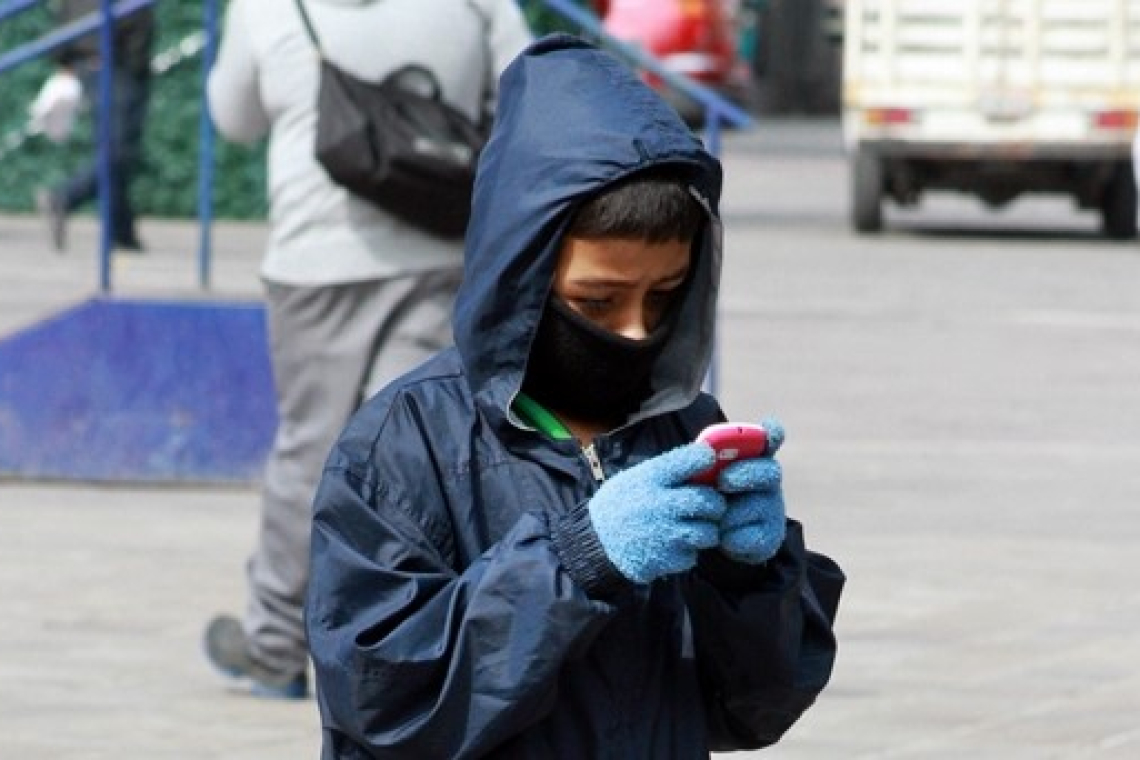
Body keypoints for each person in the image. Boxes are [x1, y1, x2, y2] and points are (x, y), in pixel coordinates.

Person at [305, 33, 845, 758]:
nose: (635, 331)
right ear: (521, 277)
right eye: (597, 302)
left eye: (664, 298)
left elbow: (755, 710)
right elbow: (385, 703)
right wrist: (578, 560)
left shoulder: (682, 427)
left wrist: (751, 577)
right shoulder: (403, 445)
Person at [200, 0, 532, 700]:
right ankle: (418, 646)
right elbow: (525, 91)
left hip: (314, 262)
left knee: (310, 449)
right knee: (421, 457)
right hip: (439, 250)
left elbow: (234, 118)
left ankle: (275, 646)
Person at [35, 0, 154, 253]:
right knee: (118, 150)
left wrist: (64, 59)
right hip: (115, 62)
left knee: (113, 147)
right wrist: (135, 63)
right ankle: (64, 197)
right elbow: (137, 20)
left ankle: (121, 230)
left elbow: (65, 15)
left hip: (93, 58)